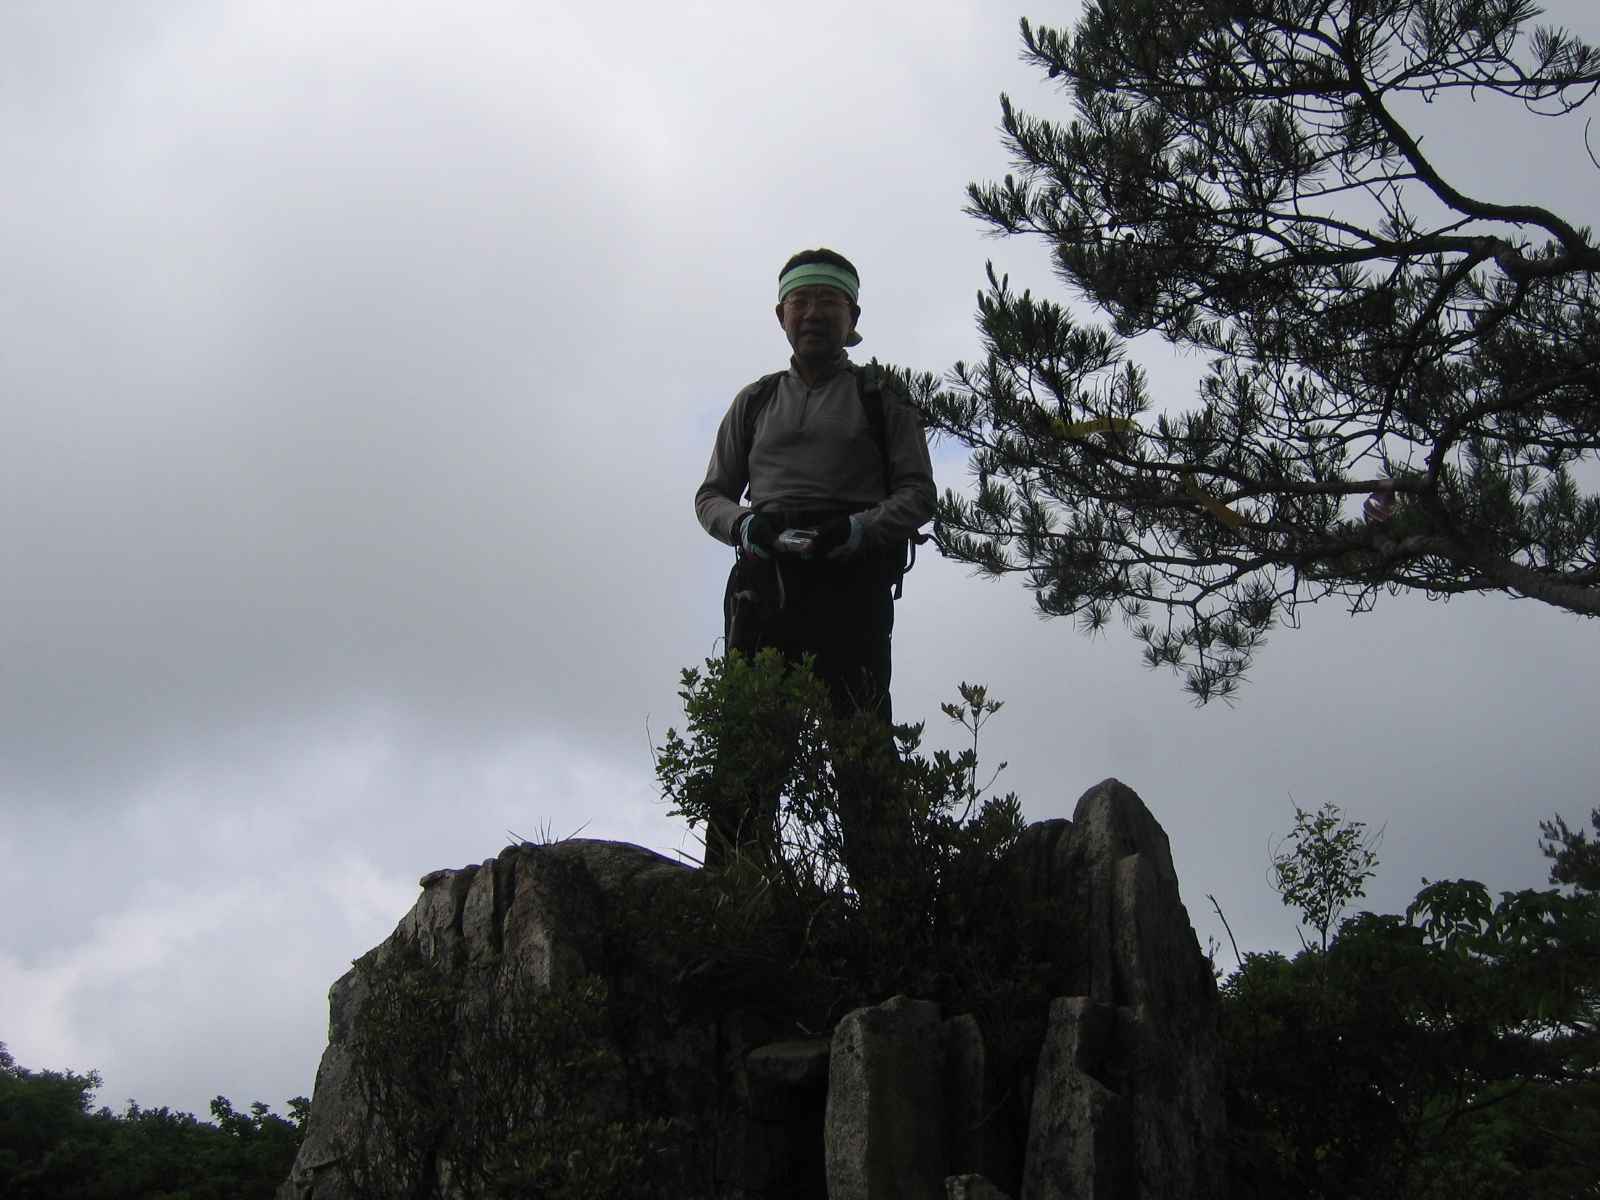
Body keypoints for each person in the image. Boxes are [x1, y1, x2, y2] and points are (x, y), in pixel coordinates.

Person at [695, 248, 936, 723]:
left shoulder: (882, 395)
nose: (812, 313)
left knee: (860, 734)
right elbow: (711, 496)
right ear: (780, 314)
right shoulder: (755, 400)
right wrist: (745, 526)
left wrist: (858, 530)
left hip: (852, 585)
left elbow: (919, 494)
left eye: (828, 300)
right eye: (800, 301)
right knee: (753, 738)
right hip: (765, 583)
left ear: (852, 316)